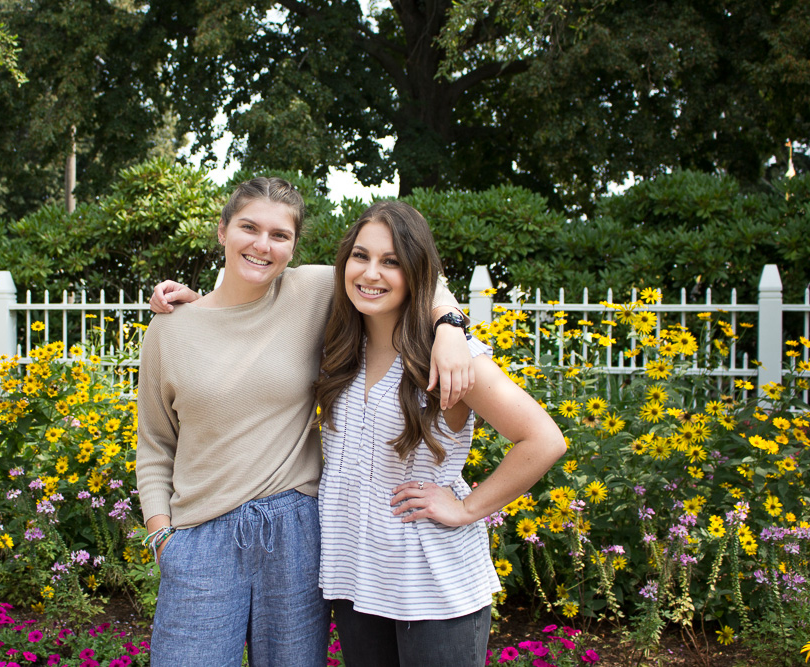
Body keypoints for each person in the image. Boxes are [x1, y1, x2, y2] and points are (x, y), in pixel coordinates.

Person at [136, 177, 475, 666]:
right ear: (222, 231)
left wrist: (448, 327)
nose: (262, 245)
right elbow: (154, 444)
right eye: (249, 228)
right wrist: (162, 535)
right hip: (200, 536)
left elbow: (418, 272)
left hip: (294, 527)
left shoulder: (314, 290)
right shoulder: (171, 327)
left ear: (293, 247)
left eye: (280, 235)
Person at [314, 200, 566, 667]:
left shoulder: (451, 355)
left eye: (391, 261)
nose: (371, 273)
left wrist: (468, 508)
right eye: (361, 256)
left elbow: (544, 439)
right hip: (355, 575)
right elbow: (260, 273)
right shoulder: (340, 342)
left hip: (432, 584)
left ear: (416, 272)